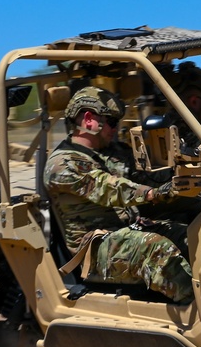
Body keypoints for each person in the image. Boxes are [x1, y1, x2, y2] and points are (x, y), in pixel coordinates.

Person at [43, 86, 193, 304]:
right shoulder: (62, 164)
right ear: (88, 119)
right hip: (93, 251)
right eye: (112, 122)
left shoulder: (111, 152)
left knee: (190, 236)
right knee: (156, 248)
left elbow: (149, 170)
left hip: (126, 232)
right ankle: (199, 313)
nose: (116, 129)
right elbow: (108, 187)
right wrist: (152, 193)